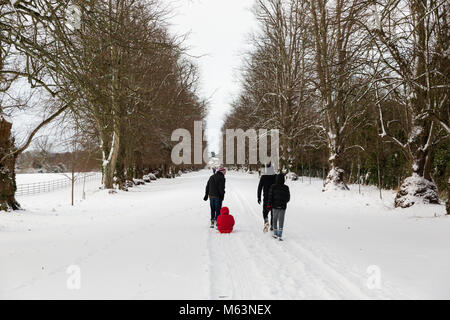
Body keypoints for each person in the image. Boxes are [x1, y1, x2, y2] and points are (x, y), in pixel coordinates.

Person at [267, 173, 290, 241]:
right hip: (283, 206)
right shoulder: (286, 187)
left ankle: (275, 233)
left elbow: (270, 196)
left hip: (275, 206)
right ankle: (280, 235)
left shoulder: (273, 186)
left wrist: (269, 204)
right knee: (281, 220)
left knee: (274, 219)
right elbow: (288, 198)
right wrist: (284, 202)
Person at [257, 163, 276, 232]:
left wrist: (258, 197)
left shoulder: (263, 177)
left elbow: (259, 188)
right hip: (274, 198)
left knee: (265, 211)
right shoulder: (275, 177)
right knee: (273, 212)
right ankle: (273, 226)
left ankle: (266, 220)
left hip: (266, 198)